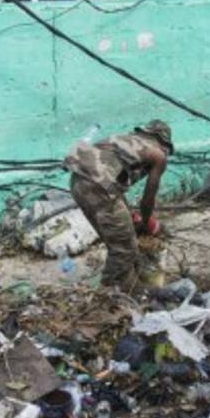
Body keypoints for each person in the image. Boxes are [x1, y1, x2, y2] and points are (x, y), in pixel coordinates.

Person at [63, 121, 172, 291]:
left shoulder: (123, 140)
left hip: (77, 182)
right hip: (99, 188)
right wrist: (145, 221)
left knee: (116, 239)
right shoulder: (158, 155)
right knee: (125, 249)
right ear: (163, 143)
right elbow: (148, 199)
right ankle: (111, 292)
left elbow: (112, 182)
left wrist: (131, 218)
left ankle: (127, 279)